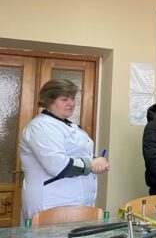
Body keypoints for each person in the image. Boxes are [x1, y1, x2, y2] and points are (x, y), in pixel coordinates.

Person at [19, 79, 110, 222]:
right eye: (64, 99)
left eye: (73, 98)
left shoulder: (68, 125)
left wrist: (96, 161)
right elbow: (58, 165)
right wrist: (91, 164)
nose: (71, 103)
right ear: (49, 100)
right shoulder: (41, 126)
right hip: (51, 203)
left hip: (73, 203)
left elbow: (78, 154)